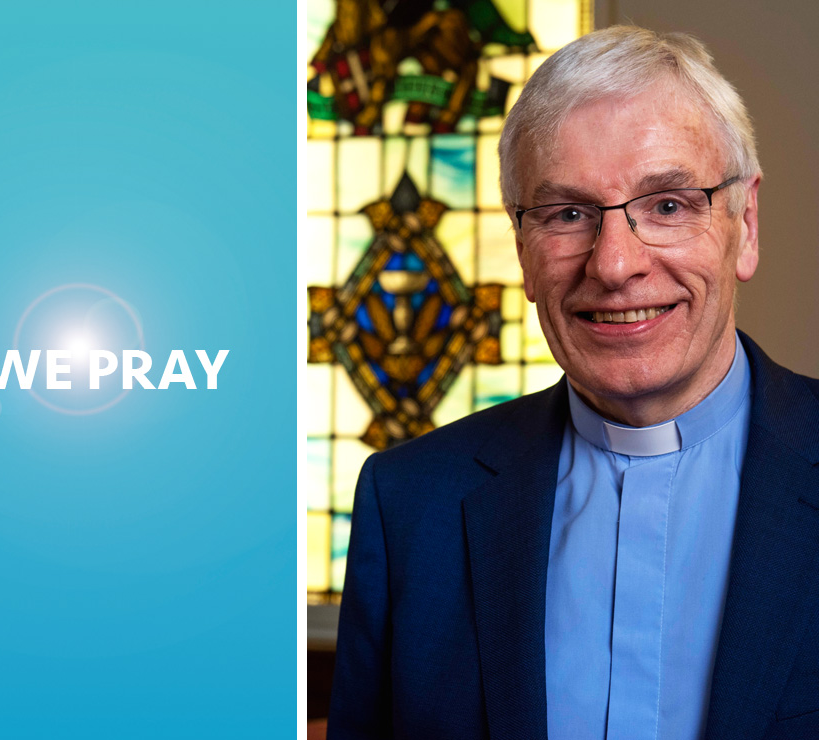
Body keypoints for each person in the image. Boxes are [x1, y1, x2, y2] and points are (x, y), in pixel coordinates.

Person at [327, 25, 819, 740]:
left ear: (744, 223)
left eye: (668, 205)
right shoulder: (410, 507)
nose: (615, 265)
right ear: (523, 251)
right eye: (567, 215)